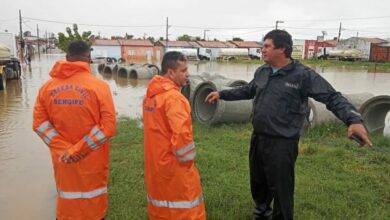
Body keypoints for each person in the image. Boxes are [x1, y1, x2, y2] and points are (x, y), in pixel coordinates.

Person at [205, 29, 372, 220]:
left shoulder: (302, 75)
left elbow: (332, 97)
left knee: (281, 188)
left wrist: (353, 120)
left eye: (267, 46)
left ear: (282, 48)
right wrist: (222, 93)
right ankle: (262, 211)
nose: (262, 50)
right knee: (258, 182)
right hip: (259, 137)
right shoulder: (263, 71)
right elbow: (249, 90)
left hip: (283, 143)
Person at [32, 40, 116, 220]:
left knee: (67, 200)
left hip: (63, 160)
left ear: (66, 58)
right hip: (93, 160)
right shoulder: (100, 87)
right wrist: (79, 149)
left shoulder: (46, 88)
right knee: (93, 205)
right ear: (89, 58)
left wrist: (66, 150)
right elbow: (108, 127)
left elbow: (40, 125)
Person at [143, 51, 206, 220]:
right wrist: (188, 164)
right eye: (183, 70)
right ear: (171, 73)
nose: (188, 74)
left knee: (161, 206)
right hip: (175, 166)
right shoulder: (174, 99)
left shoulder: (150, 95)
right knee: (185, 207)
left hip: (155, 163)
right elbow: (182, 137)